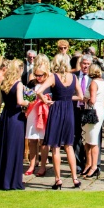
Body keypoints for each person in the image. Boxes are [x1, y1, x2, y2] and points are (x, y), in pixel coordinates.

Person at [0, 60, 30, 190]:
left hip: (5, 117)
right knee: (14, 148)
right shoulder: (18, 84)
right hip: (15, 118)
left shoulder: (4, 83)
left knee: (3, 147)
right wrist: (30, 103)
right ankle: (11, 181)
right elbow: (20, 101)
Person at [45, 54, 80, 189]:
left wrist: (46, 100)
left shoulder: (53, 77)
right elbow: (81, 96)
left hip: (56, 109)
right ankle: (75, 179)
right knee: (69, 145)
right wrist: (68, 98)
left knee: (55, 147)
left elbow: (40, 91)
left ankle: (58, 179)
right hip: (68, 110)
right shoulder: (74, 77)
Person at [24, 55, 53, 177]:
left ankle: (42, 166)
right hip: (33, 113)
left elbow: (54, 97)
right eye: (36, 75)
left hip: (45, 113)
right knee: (32, 140)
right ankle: (32, 164)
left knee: (44, 141)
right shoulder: (32, 83)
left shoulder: (50, 83)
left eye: (40, 75)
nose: (38, 77)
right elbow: (27, 96)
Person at [80, 64, 104, 177]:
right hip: (99, 110)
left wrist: (84, 98)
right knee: (88, 140)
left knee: (92, 141)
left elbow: (92, 100)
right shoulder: (103, 82)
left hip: (92, 112)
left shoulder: (94, 83)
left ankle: (94, 166)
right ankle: (88, 163)